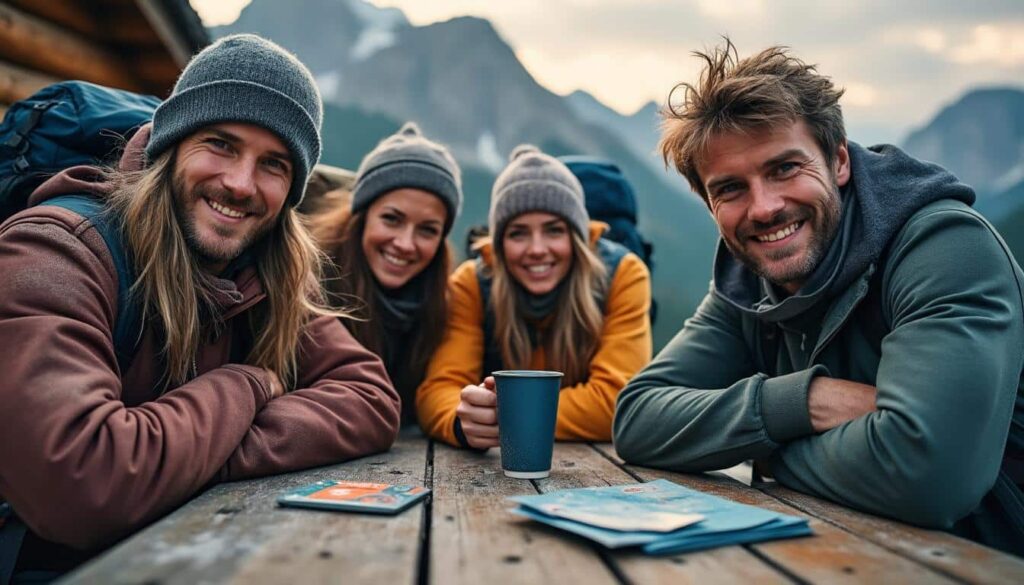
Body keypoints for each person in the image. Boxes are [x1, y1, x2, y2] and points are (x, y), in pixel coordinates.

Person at [0, 34, 400, 577]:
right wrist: (248, 384)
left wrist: (181, 456)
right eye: (221, 144)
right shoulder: (57, 250)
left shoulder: (266, 269)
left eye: (275, 164)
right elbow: (82, 483)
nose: (241, 184)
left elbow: (370, 397)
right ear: (171, 143)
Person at [613, 40, 1024, 553]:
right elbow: (638, 418)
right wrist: (806, 402)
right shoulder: (746, 287)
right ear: (709, 204)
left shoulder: (943, 249)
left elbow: (930, 476)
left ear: (840, 161)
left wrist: (766, 454)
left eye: (785, 168)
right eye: (731, 189)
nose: (763, 208)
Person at [418, 145, 652, 448]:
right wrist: (463, 422)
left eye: (554, 230)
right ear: (499, 243)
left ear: (577, 237)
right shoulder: (472, 283)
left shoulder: (623, 275)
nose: (537, 249)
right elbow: (438, 390)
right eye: (518, 233)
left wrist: (512, 414)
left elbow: (618, 400)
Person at [306, 122, 462, 424]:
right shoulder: (309, 289)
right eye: (391, 219)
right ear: (361, 217)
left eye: (428, 230)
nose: (405, 244)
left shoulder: (447, 308)